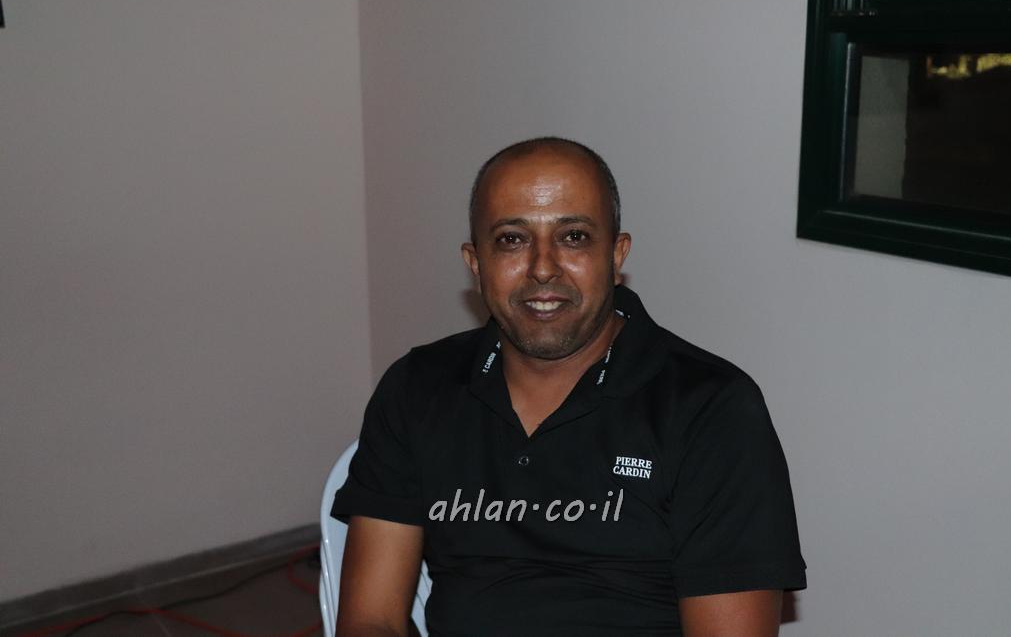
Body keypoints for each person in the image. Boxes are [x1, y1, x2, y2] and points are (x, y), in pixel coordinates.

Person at [331, 137, 806, 636]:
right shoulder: (418, 388)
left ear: (616, 256)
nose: (542, 267)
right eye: (511, 239)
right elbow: (370, 619)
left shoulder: (712, 409)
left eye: (574, 236)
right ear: (476, 263)